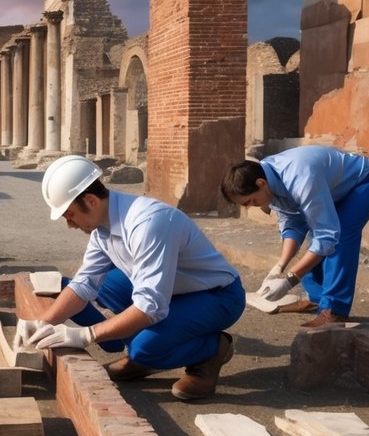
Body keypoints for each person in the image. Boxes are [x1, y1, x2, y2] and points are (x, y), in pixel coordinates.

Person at [18, 155, 244, 401]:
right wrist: (43, 322)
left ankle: (211, 350)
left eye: (70, 215)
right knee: (106, 288)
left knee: (145, 347)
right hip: (174, 290)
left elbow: (151, 307)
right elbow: (83, 285)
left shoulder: (148, 223)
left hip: (217, 296)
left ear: (91, 200)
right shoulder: (101, 229)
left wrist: (86, 335)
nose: (70, 224)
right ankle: (152, 345)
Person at [220, 146, 369, 328]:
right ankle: (316, 299)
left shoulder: (300, 177)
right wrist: (279, 267)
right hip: (331, 188)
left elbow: (327, 237)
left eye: (250, 201)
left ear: (261, 184)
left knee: (339, 239)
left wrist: (290, 280)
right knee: (314, 244)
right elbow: (293, 224)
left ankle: (334, 311)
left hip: (362, 182)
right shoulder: (267, 180)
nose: (251, 206)